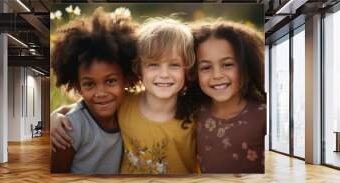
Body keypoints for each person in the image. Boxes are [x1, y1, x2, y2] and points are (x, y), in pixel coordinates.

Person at [51, 18, 198, 174]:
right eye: (153, 64)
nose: (163, 74)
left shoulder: (196, 116)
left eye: (174, 65)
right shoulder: (125, 103)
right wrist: (56, 116)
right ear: (138, 69)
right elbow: (83, 110)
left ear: (187, 69)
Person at [50, 8, 138, 174]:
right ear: (77, 85)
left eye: (110, 81)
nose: (101, 93)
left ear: (126, 77)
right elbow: (56, 177)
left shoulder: (129, 108)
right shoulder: (68, 130)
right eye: (89, 84)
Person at [190, 20, 266, 173]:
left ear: (246, 65)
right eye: (206, 67)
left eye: (227, 64)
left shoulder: (263, 115)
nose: (217, 75)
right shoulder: (194, 113)